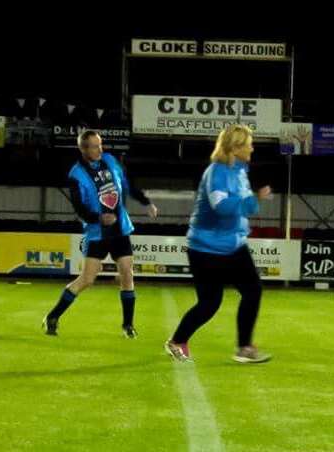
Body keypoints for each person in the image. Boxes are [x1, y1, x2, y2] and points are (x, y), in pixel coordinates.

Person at [165, 123, 273, 364]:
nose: (252, 148)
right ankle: (176, 341)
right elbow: (222, 207)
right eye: (248, 145)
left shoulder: (240, 171)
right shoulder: (216, 173)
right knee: (210, 303)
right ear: (235, 148)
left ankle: (244, 348)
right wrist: (253, 199)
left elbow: (246, 206)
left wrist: (254, 200)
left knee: (252, 290)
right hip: (205, 248)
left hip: (234, 245)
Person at [42, 129, 155, 337]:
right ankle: (53, 316)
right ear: (83, 149)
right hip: (97, 233)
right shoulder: (76, 174)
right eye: (95, 146)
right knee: (87, 279)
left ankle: (127, 325)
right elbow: (79, 208)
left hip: (120, 229)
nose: (99, 149)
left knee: (127, 272)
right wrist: (98, 218)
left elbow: (127, 185)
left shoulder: (111, 161)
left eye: (100, 144)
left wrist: (145, 202)